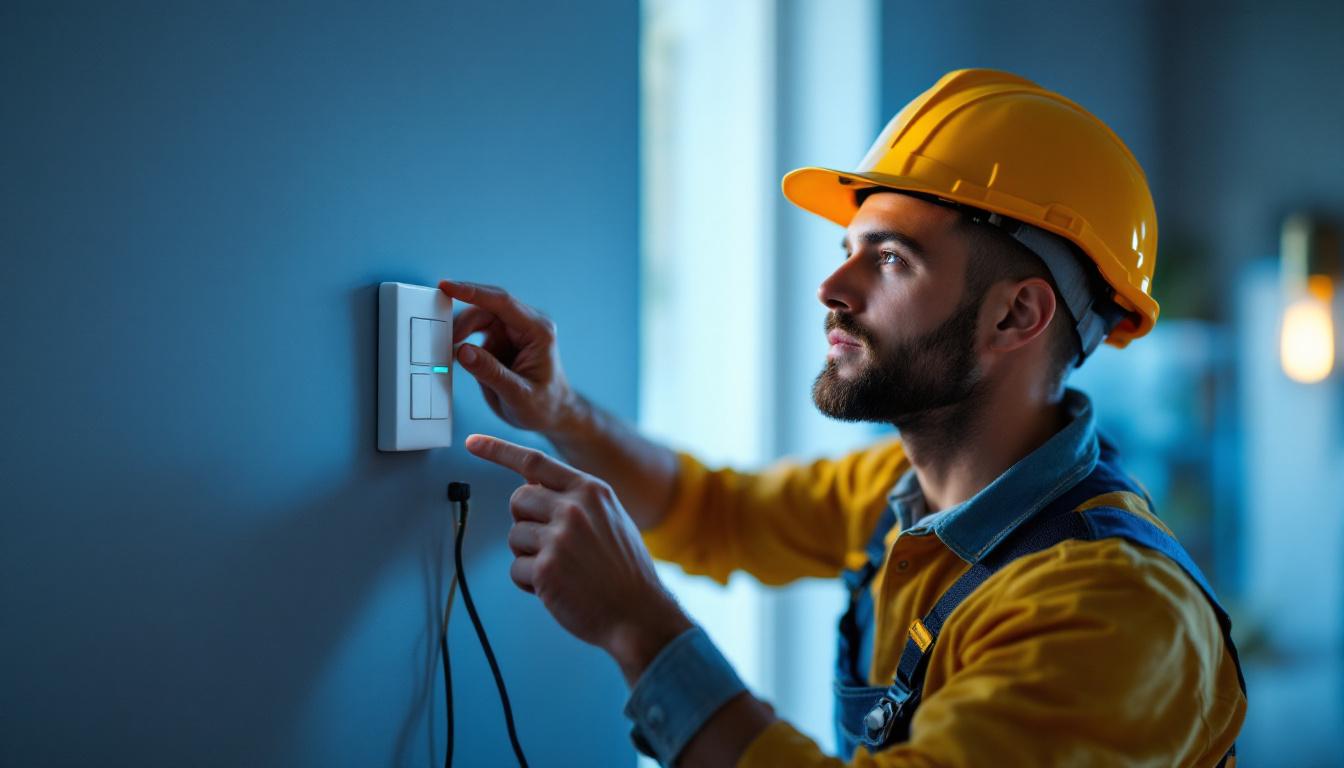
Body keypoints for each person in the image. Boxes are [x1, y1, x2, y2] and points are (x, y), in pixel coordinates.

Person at [447, 69, 1247, 767]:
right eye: (848, 248)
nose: (833, 288)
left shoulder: (1113, 611)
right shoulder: (900, 494)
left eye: (891, 258)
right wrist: (560, 410)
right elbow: (710, 512)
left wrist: (640, 629)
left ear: (1015, 317)